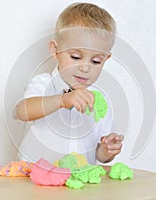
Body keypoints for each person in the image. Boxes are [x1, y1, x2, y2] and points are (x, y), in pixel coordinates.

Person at [14, 2, 124, 164]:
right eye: (76, 57)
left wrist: (107, 150)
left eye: (95, 61)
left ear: (106, 59)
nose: (85, 67)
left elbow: (97, 154)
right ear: (55, 50)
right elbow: (22, 112)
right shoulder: (43, 83)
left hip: (77, 182)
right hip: (34, 181)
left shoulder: (100, 100)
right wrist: (62, 100)